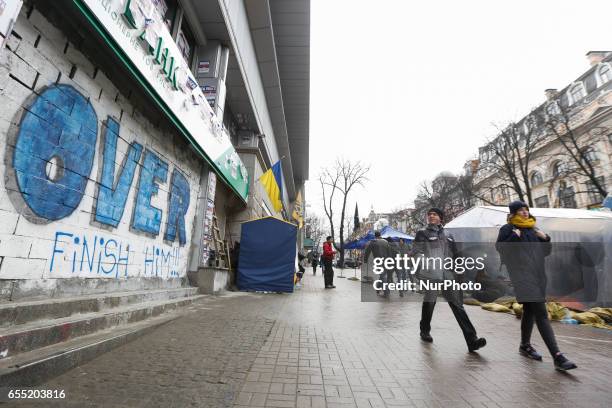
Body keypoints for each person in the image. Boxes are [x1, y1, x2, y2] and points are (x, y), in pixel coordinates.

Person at [496, 201, 577, 371]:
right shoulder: (507, 229)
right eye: (520, 210)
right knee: (541, 312)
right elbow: (501, 249)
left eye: (526, 210)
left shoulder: (533, 229)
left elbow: (545, 252)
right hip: (522, 276)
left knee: (530, 310)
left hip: (539, 275)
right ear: (513, 214)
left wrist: (545, 239)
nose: (525, 213)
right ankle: (557, 356)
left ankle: (525, 345)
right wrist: (514, 237)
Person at [413, 207, 487, 352]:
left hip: (448, 274)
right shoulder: (422, 233)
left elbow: (457, 255)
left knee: (458, 306)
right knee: (430, 303)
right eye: (429, 214)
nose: (431, 216)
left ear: (440, 217)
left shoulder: (448, 234)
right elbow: (416, 252)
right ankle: (425, 330)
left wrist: (460, 272)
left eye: (434, 214)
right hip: (432, 273)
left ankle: (472, 340)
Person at [364, 231, 392, 297]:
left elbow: (367, 251)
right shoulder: (385, 242)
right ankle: (378, 289)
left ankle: (386, 292)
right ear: (380, 235)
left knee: (383, 276)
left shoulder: (373, 242)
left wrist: (365, 260)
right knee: (382, 275)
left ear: (375, 236)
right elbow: (389, 252)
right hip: (386, 261)